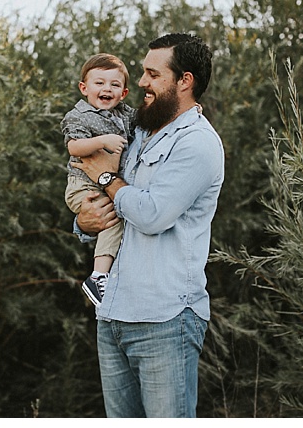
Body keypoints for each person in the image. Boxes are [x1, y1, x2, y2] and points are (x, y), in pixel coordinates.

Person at [72, 33, 223, 418]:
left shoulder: (198, 144)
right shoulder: (137, 132)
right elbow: (103, 196)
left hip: (165, 320)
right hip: (112, 313)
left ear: (183, 81)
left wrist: (108, 179)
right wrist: (84, 222)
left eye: (152, 74)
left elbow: (153, 215)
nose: (140, 82)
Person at [61, 53, 135, 306]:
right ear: (84, 88)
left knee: (116, 217)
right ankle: (98, 275)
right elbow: (74, 146)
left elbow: (149, 120)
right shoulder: (78, 116)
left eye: (114, 85)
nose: (107, 89)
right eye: (99, 83)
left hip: (103, 185)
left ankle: (101, 274)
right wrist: (102, 142)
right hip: (82, 186)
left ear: (123, 93)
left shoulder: (124, 114)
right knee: (112, 218)